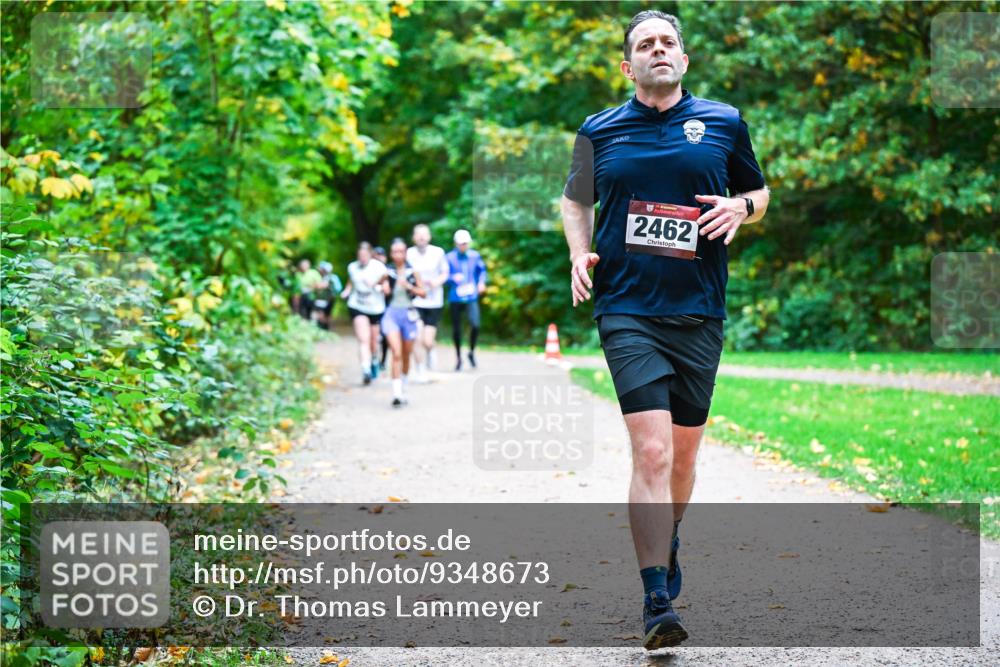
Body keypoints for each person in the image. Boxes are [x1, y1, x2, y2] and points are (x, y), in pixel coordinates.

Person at [560, 10, 769, 650]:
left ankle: (668, 538)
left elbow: (760, 194)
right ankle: (656, 600)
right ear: (628, 66)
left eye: (667, 42)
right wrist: (578, 252)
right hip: (626, 309)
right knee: (650, 452)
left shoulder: (724, 123)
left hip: (700, 310)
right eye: (645, 44)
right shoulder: (600, 130)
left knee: (682, 458)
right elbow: (576, 199)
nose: (658, 50)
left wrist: (742, 206)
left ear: (684, 59)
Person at [379, 238, 426, 407]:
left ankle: (403, 384)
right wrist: (382, 287)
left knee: (406, 354)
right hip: (391, 314)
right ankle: (396, 393)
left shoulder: (413, 272)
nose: (398, 255)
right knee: (396, 352)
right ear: (391, 254)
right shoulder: (387, 271)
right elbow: (378, 285)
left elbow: (423, 293)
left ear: (405, 253)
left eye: (401, 251)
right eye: (395, 252)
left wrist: (409, 287)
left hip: (409, 314)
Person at [406, 224, 449, 381]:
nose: (422, 237)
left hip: (434, 301)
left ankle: (431, 350)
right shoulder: (409, 254)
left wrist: (434, 283)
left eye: (424, 234)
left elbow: (445, 273)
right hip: (416, 301)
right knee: (416, 337)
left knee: (427, 340)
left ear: (429, 237)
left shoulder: (438, 252)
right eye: (418, 234)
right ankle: (420, 369)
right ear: (413, 237)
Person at [341, 242, 387, 384]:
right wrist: (346, 291)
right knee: (363, 339)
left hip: (375, 308)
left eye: (365, 255)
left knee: (373, 341)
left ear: (370, 255)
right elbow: (351, 283)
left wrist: (375, 286)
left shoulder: (379, 267)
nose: (362, 258)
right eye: (360, 255)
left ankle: (374, 359)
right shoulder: (352, 267)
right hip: (357, 306)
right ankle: (365, 369)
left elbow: (386, 288)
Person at [445, 229, 487, 371]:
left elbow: (482, 271)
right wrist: (452, 278)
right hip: (455, 297)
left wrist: (481, 282)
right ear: (456, 244)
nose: (464, 246)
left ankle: (471, 352)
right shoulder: (449, 257)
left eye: (466, 243)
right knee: (457, 330)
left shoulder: (475, 256)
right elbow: (444, 276)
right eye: (461, 244)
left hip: (471, 296)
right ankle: (458, 358)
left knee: (475, 324)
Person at [373, 245, 390, 372]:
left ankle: (383, 360)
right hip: (372, 307)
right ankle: (373, 358)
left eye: (381, 255)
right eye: (376, 255)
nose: (379, 258)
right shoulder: (369, 270)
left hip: (387, 308)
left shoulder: (389, 271)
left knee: (384, 336)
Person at [313, 261, 343, 331]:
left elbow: (320, 286)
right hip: (328, 298)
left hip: (326, 298)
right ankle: (325, 327)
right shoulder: (332, 277)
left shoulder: (328, 278)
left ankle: (323, 327)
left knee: (323, 312)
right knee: (325, 313)